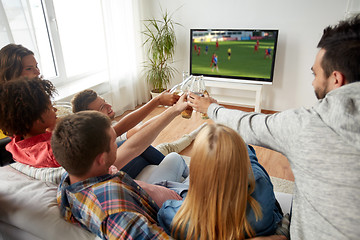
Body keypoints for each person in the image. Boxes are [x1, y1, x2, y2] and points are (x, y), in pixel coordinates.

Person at [188, 15, 360, 239]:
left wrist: (210, 108)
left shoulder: (306, 126)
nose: (312, 82)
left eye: (315, 74)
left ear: (336, 79)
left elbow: (247, 125)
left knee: (245, 149)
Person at [52, 101, 189, 239]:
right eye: (113, 142)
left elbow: (133, 146)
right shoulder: (115, 214)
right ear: (101, 158)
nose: (118, 146)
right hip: (176, 214)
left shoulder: (78, 173)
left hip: (156, 198)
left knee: (174, 158)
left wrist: (174, 110)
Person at [157, 124, 284, 239]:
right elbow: (250, 159)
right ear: (242, 163)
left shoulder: (173, 216)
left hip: (192, 195)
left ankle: (192, 169)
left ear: (195, 166)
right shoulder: (261, 187)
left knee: (174, 158)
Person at [71, 89, 200, 180]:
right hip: (132, 179)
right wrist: (173, 109)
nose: (109, 105)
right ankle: (187, 174)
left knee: (147, 153)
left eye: (105, 101)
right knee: (173, 157)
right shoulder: (98, 158)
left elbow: (123, 128)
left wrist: (158, 101)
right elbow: (136, 143)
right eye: (102, 107)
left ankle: (181, 170)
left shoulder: (96, 132)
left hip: (130, 166)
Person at [0, 43, 40, 140]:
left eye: (36, 66)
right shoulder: (7, 105)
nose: (38, 72)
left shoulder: (31, 91)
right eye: (29, 68)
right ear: (12, 73)